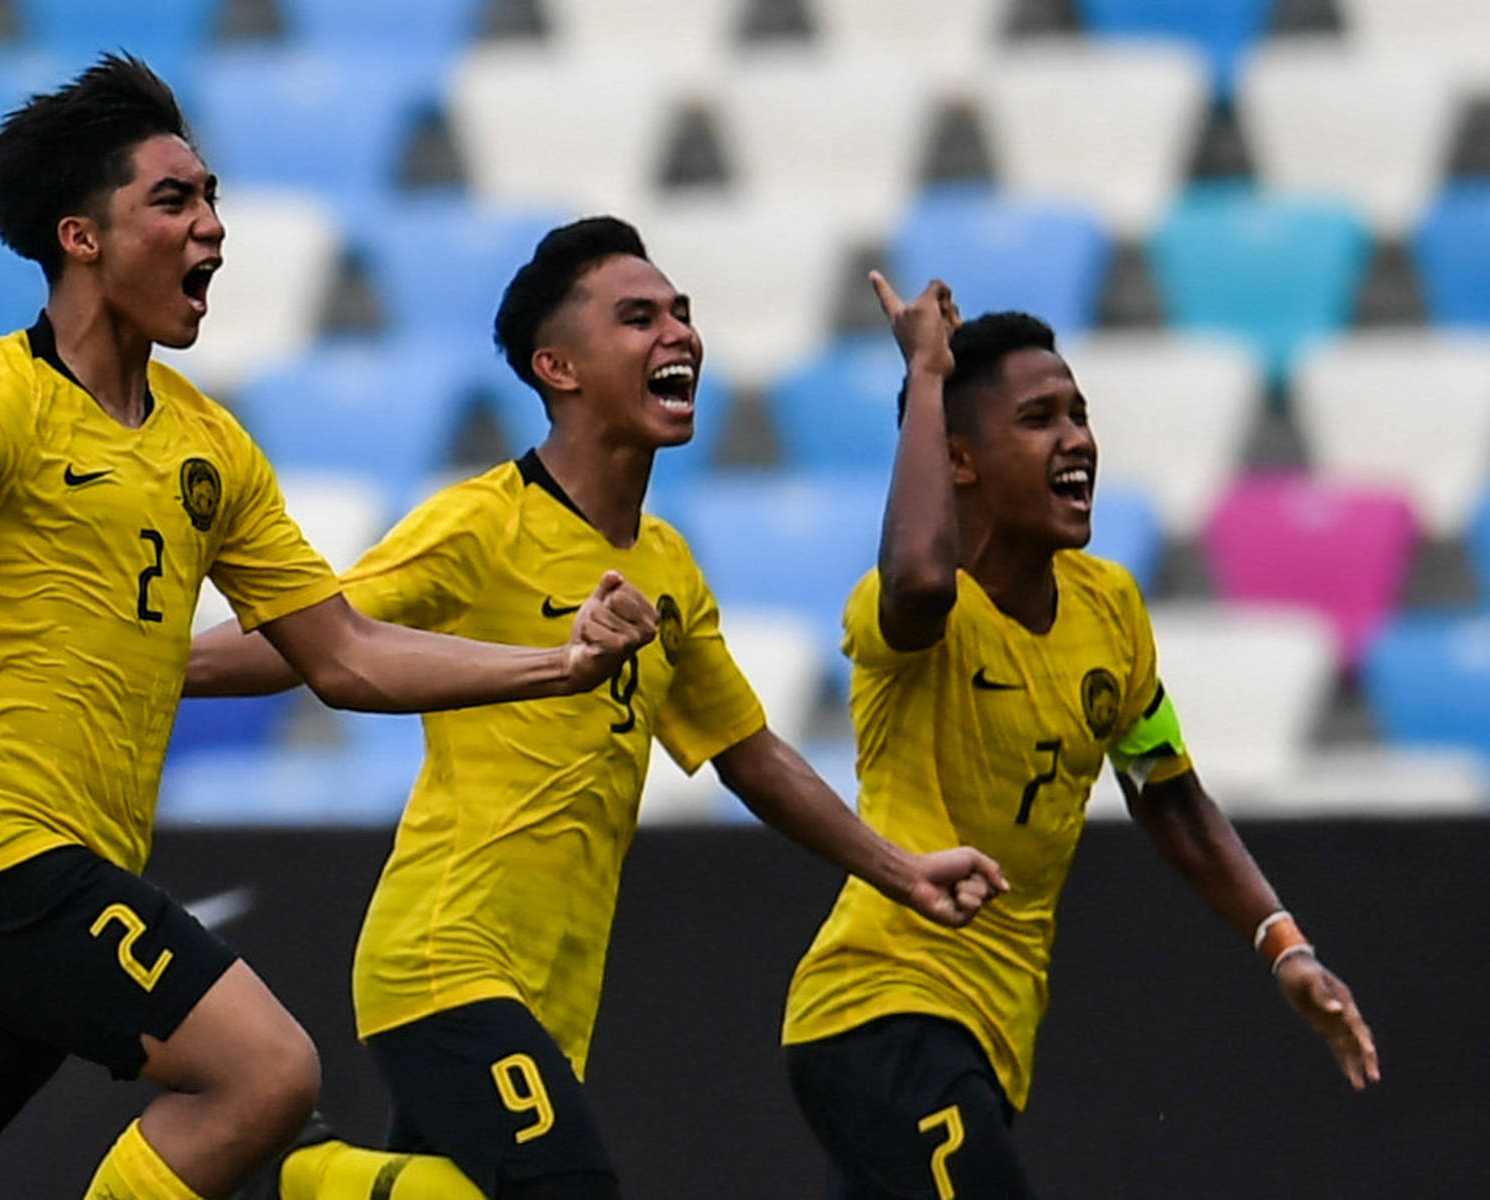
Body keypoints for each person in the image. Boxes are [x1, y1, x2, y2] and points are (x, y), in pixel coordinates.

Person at [0, 58, 658, 1200]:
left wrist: (558, 666)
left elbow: (345, 653)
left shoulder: (211, 448)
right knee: (267, 1076)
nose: (214, 229)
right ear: (80, 237)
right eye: (174, 201)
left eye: (212, 199)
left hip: (25, 900)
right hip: (1, 867)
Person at [188, 217, 1010, 1200]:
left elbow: (752, 754)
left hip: (554, 1002)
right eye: (638, 318)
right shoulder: (483, 523)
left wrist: (900, 869)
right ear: (558, 367)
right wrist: (144, 664)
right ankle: (309, 1174)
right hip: (442, 956)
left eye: (682, 315)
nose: (678, 336)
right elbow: (309, 638)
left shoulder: (668, 569)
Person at [780, 275, 1381, 1199]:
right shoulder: (913, 614)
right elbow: (917, 577)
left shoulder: (1110, 608)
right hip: (884, 1008)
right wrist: (928, 375)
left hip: (991, 1037)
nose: (1076, 441)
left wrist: (1283, 943)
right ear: (960, 462)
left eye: (1078, 413)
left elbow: (1165, 787)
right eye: (1037, 419)